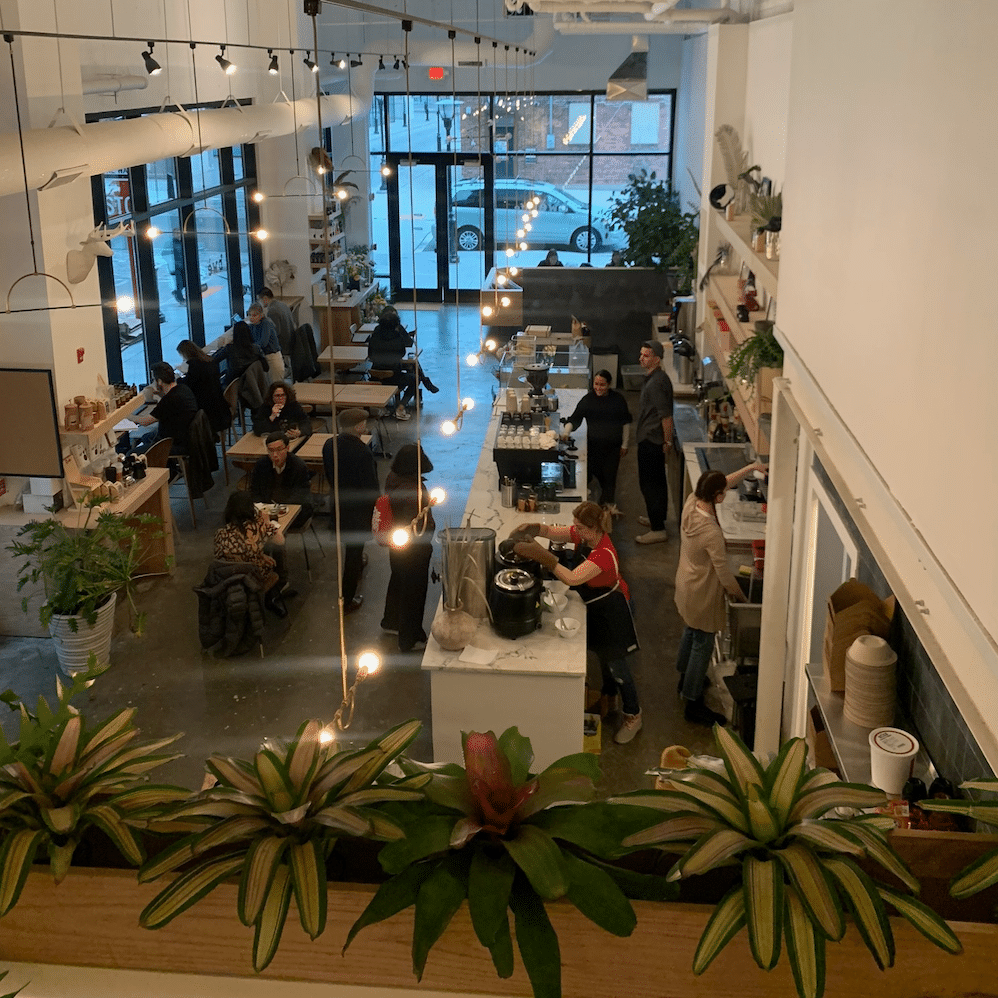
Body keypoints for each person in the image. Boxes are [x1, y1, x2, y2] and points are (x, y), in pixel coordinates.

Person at [511, 502, 641, 744]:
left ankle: (633, 714)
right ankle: (608, 699)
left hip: (613, 610)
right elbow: (554, 532)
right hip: (598, 605)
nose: (575, 531)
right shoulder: (587, 536)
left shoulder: (603, 554)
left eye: (580, 528)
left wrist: (546, 558)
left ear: (593, 528)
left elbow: (572, 577)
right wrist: (536, 528)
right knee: (604, 658)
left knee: (618, 667)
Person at [675, 464, 767, 725]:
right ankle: (692, 702)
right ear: (717, 496)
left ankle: (684, 678)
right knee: (702, 643)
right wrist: (741, 598)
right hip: (703, 590)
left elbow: (723, 481)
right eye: (722, 492)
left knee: (690, 631)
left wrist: (751, 468)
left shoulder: (691, 503)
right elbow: (725, 575)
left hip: (685, 582)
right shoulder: (711, 533)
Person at [379, 444, 436, 653]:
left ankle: (391, 621)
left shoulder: (393, 478)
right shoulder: (413, 491)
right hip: (415, 548)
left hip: (397, 542)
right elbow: (419, 525)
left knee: (398, 581)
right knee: (414, 591)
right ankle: (409, 639)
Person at [322, 407, 379, 615]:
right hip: (358, 511)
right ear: (358, 427)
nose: (366, 426)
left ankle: (358, 565)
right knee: (353, 554)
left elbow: (328, 474)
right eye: (363, 423)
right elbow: (370, 487)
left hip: (338, 504)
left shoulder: (329, 445)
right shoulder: (362, 451)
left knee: (349, 546)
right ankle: (347, 599)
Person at [562, 369, 632, 516]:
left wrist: (625, 444)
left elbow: (626, 423)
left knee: (609, 480)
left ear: (609, 384)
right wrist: (566, 432)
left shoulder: (618, 400)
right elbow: (575, 419)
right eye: (596, 384)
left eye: (602, 385)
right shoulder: (588, 400)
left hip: (612, 448)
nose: (598, 388)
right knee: (587, 476)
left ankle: (605, 512)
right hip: (593, 447)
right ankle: (586, 510)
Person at [213, 490, 289, 618]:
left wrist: (260, 555)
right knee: (271, 564)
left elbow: (233, 554)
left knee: (263, 559)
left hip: (227, 579)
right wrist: (267, 522)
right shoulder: (257, 528)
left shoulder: (221, 533)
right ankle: (270, 598)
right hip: (252, 578)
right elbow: (280, 541)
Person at [634, 340, 674, 544]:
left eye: (646, 355)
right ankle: (655, 518)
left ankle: (658, 528)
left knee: (651, 484)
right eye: (641, 354)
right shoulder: (654, 377)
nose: (641, 358)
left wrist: (666, 441)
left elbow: (665, 416)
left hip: (652, 440)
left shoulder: (657, 383)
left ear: (657, 359)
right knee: (653, 482)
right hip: (648, 438)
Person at [367, 306, 439, 419]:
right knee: (415, 378)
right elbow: (401, 354)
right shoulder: (398, 338)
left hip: (375, 376)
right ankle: (401, 406)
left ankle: (383, 407)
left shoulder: (374, 337)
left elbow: (370, 355)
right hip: (394, 377)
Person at [250, 431, 313, 531]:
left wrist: (278, 510)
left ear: (287, 448)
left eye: (279, 450)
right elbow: (254, 491)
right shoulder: (261, 465)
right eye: (271, 450)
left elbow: (300, 495)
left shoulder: (298, 466)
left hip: (292, 509)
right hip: (267, 510)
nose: (275, 455)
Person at [132, 361, 198, 453]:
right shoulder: (183, 389)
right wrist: (161, 394)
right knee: (146, 437)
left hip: (173, 443)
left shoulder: (168, 400)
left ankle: (162, 462)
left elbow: (145, 422)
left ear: (159, 381)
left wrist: (127, 417)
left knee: (131, 454)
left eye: (153, 380)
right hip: (186, 437)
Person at [177, 340, 230, 435]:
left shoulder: (195, 365)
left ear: (185, 353)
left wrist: (177, 379)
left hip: (207, 410)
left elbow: (188, 385)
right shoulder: (209, 360)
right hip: (220, 405)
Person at [257, 287, 295, 376]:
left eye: (259, 300)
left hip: (284, 345)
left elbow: (275, 332)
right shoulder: (282, 304)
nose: (260, 303)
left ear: (265, 299)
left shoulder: (272, 311)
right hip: (291, 339)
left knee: (262, 345)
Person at [215, 320, 265, 387]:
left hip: (233, 387)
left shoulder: (230, 348)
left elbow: (214, 359)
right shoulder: (256, 349)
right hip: (253, 386)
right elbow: (266, 367)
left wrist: (223, 347)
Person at [246, 302, 286, 385]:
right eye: (249, 315)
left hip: (273, 358)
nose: (251, 318)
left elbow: (263, 343)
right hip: (264, 359)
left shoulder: (266, 323)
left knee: (276, 385)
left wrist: (250, 347)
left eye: (254, 315)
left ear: (261, 315)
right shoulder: (252, 326)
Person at [170, 228, 186, 303]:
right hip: (177, 267)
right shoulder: (173, 243)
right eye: (176, 233)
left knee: (184, 283)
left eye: (179, 233)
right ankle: (180, 299)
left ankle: (177, 294)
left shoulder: (182, 242)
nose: (178, 234)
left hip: (183, 265)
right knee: (179, 284)